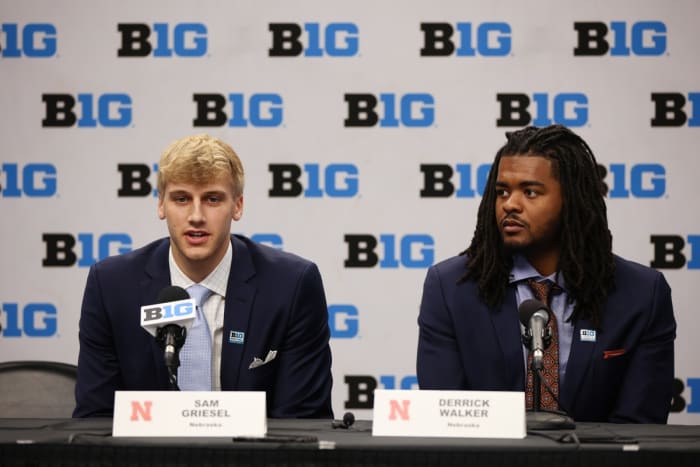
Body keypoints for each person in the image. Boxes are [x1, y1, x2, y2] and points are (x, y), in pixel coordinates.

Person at [416, 125, 676, 423]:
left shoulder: (642, 294)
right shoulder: (450, 288)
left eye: (530, 192)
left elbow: (641, 429)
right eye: (502, 191)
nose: (510, 204)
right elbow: (447, 422)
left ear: (572, 199)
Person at [74, 134, 333, 418]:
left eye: (212, 199)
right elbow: (95, 421)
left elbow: (303, 425)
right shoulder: (112, 286)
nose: (196, 216)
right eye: (181, 199)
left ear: (237, 206)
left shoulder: (290, 286)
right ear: (161, 205)